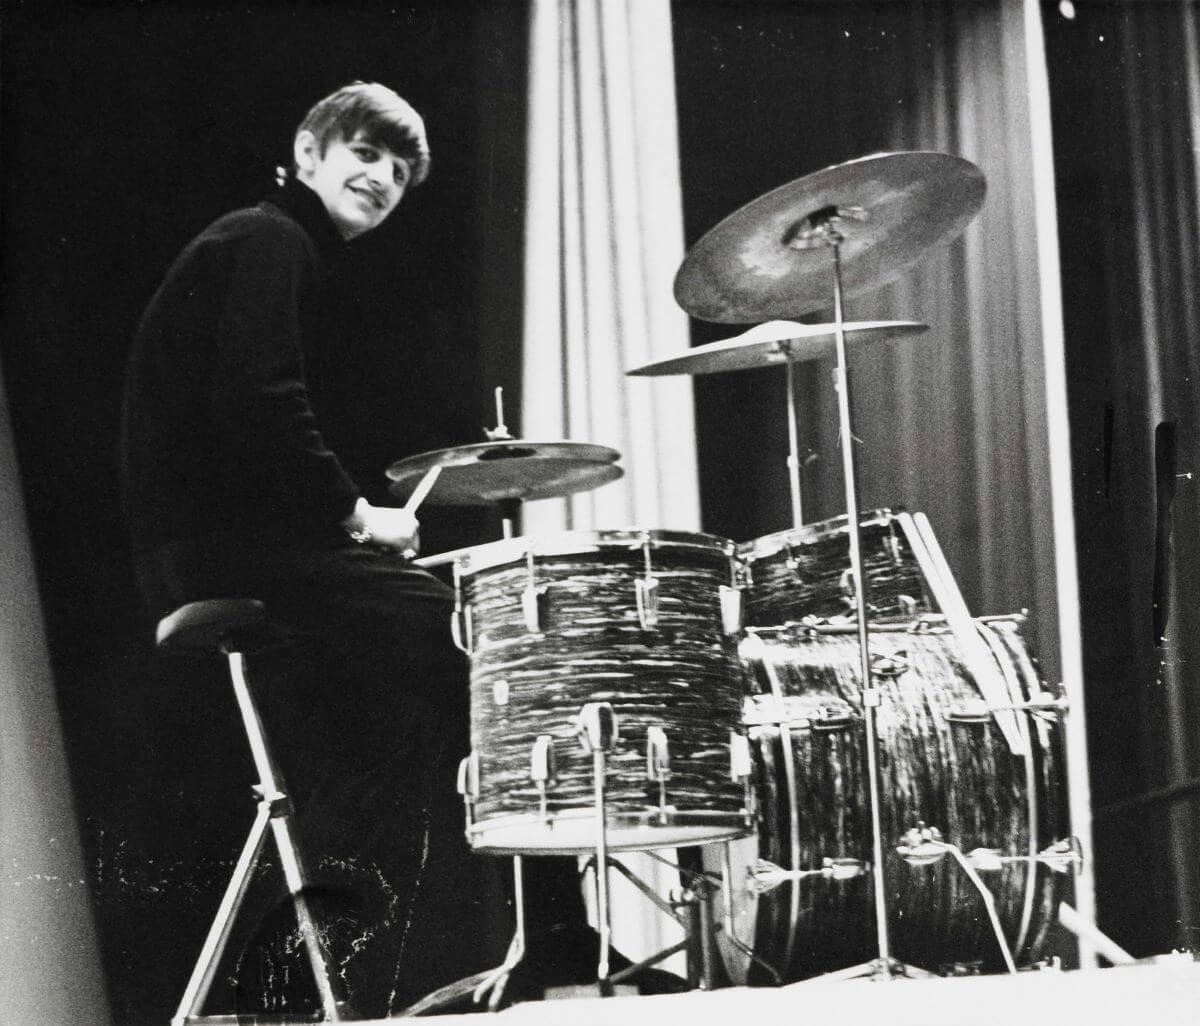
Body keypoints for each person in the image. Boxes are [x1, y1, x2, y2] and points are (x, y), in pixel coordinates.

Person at [120, 82, 679, 1019]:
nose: (381, 177)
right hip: (235, 554)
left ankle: (492, 948)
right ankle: (547, 941)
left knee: (416, 690)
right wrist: (359, 518)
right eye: (364, 153)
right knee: (488, 651)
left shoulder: (262, 242)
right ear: (309, 152)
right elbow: (259, 404)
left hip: (214, 552)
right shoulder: (270, 240)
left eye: (398, 169)